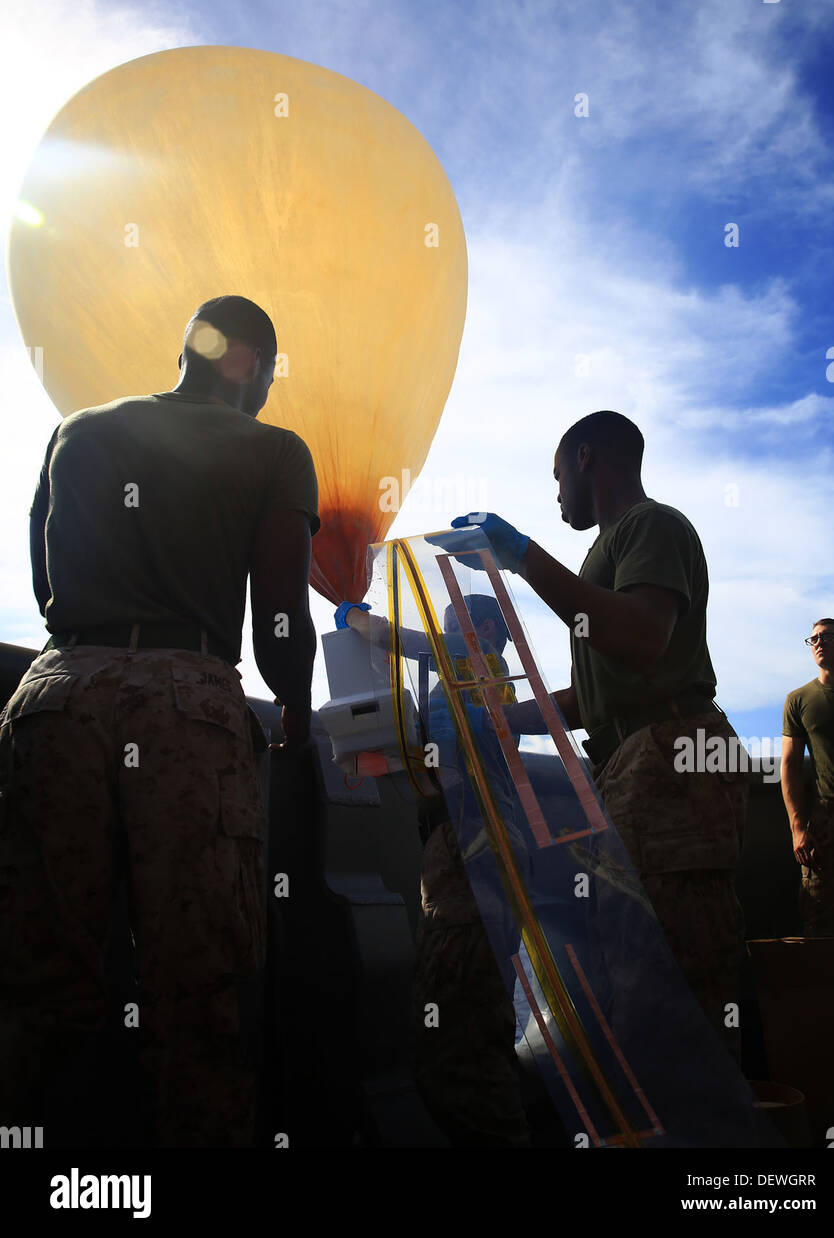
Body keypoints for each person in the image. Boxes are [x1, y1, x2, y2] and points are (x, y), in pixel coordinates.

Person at [0, 294, 319, 1146]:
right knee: (199, 992)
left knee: (36, 986)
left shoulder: (81, 429)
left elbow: (42, 566)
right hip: (188, 704)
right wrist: (292, 707)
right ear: (247, 361)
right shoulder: (274, 450)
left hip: (56, 691)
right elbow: (280, 612)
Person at [446, 410, 747, 1058]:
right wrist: (502, 720)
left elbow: (640, 638)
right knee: (633, 966)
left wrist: (526, 558)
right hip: (634, 760)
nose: (556, 496)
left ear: (586, 458)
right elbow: (597, 695)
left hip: (671, 759)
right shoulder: (606, 553)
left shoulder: (650, 525)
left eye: (557, 477)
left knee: (674, 976)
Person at [336, 593, 532, 1147]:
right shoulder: (480, 682)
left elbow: (393, 639)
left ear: (485, 628)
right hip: (482, 843)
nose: (442, 636)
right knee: (478, 1029)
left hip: (471, 848)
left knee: (455, 1053)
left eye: (452, 625)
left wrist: (349, 615)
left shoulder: (469, 660)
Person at [781, 618, 834, 935]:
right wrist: (797, 827)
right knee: (822, 922)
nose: (818, 642)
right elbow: (788, 765)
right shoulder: (799, 700)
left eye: (827, 636)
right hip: (830, 822)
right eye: (813, 639)